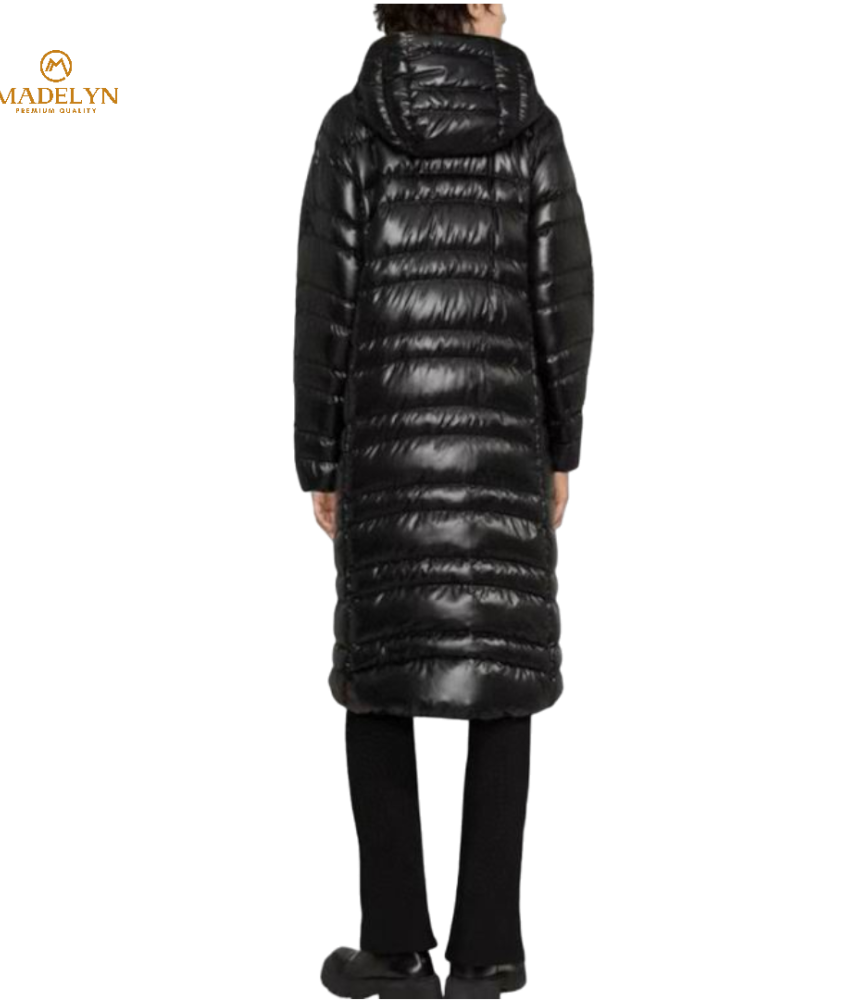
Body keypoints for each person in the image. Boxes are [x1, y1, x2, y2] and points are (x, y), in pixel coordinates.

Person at [292, 4, 595, 997]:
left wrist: (319, 457)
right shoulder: (533, 126)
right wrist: (561, 447)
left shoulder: (353, 123)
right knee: (502, 671)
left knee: (377, 673)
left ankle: (392, 949)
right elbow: (564, 301)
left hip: (381, 441)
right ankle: (488, 951)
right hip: (506, 438)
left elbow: (324, 304)